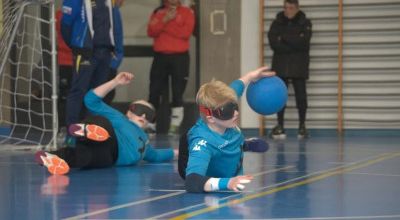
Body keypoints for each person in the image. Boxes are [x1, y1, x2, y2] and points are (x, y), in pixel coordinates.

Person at [35, 72, 178, 175]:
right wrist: (115, 82)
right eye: (139, 109)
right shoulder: (121, 118)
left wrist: (180, 152)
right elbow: (91, 100)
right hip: (110, 136)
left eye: (150, 115)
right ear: (129, 112)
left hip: (110, 157)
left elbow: (157, 156)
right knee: (103, 124)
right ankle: (86, 130)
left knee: (85, 158)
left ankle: (51, 157)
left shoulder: (145, 143)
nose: (144, 115)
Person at [178, 67, 274, 193]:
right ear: (211, 118)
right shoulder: (202, 143)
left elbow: (236, 87)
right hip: (198, 163)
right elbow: (192, 182)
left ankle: (244, 144)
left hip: (221, 139)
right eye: (228, 111)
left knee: (232, 135)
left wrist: (251, 76)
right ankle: (244, 144)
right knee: (193, 142)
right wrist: (226, 183)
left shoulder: (224, 116)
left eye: (235, 106)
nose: (235, 113)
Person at [60, 0, 124, 145]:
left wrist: (117, 54)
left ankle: (91, 132)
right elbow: (66, 26)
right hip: (85, 53)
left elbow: (117, 26)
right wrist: (77, 44)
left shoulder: (111, 2)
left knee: (97, 94)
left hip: (105, 53)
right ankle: (72, 133)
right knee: (78, 91)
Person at [147, 0, 195, 135]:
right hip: (160, 56)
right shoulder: (158, 12)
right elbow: (151, 31)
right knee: (154, 91)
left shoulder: (187, 12)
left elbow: (185, 33)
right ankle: (151, 124)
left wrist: (163, 25)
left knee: (178, 92)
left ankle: (174, 126)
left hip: (180, 58)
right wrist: (166, 19)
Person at [267, 0, 312, 139]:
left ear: (297, 8)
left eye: (291, 8)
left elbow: (304, 43)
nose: (288, 11)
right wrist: (294, 41)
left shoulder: (305, 22)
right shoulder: (277, 22)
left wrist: (284, 38)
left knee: (301, 97)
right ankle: (280, 126)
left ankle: (302, 126)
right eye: (285, 8)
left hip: (299, 65)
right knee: (280, 98)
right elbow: (274, 43)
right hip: (281, 65)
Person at [56, 9, 73, 130]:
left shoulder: (88, 10)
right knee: (64, 95)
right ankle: (63, 127)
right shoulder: (60, 14)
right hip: (65, 61)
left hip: (83, 61)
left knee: (81, 96)